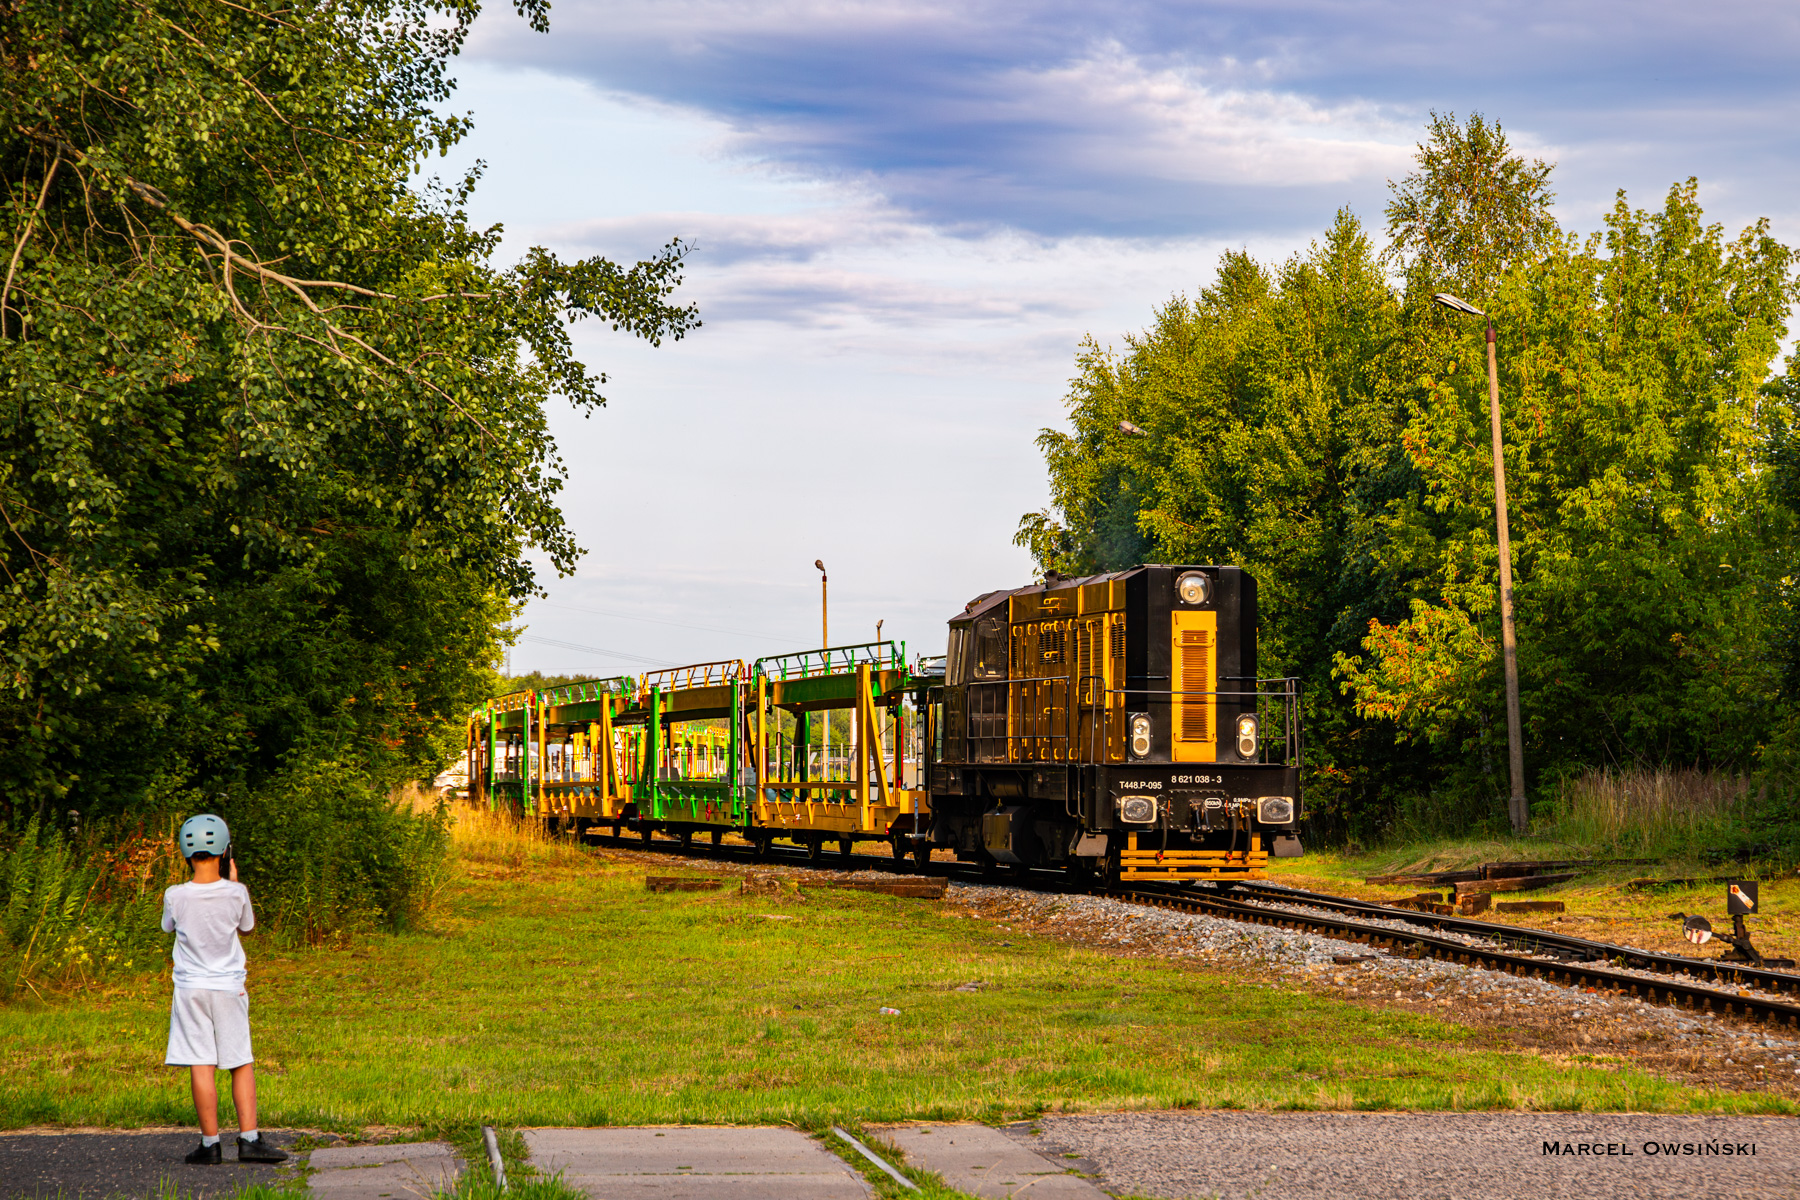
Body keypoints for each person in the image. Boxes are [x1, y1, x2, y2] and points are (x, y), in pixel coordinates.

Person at [162, 814, 287, 1165]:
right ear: (224, 850)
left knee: (200, 1062)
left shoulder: (174, 894)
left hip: (190, 990)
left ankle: (209, 1144)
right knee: (239, 1060)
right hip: (229, 988)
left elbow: (168, 927)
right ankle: (249, 1140)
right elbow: (246, 928)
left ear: (186, 854)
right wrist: (234, 883)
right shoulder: (237, 893)